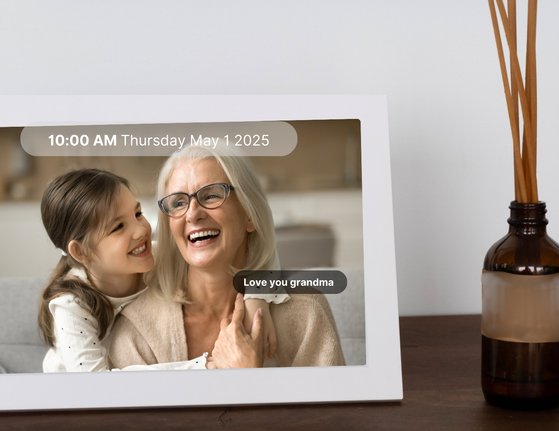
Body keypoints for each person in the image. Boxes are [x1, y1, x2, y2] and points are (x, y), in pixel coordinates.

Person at [108, 146, 346, 369]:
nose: (192, 214)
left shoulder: (305, 311)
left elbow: (332, 413)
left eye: (211, 195)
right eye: (178, 202)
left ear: (250, 215)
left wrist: (249, 380)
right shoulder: (136, 331)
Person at [38, 168, 208, 372]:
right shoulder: (72, 305)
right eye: (118, 227)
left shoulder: (163, 257)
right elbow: (96, 388)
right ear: (81, 251)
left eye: (138, 214)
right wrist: (205, 366)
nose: (141, 230)